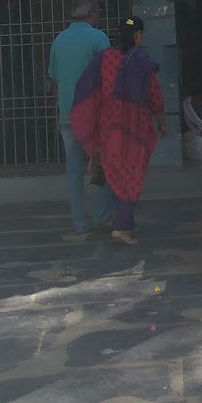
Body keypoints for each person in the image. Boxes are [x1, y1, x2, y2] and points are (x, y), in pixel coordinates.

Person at [69, 15, 166, 245]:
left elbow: (89, 89)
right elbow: (155, 98)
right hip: (135, 127)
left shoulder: (103, 58)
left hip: (108, 126)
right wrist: (162, 122)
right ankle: (121, 226)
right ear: (138, 36)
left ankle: (125, 222)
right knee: (132, 173)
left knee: (117, 172)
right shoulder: (142, 61)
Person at [47, 0, 111, 241]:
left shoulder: (59, 40)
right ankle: (103, 214)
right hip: (95, 115)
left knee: (73, 169)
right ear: (93, 12)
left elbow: (55, 80)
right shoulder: (98, 37)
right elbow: (108, 76)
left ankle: (79, 223)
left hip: (68, 115)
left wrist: (62, 106)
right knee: (102, 164)